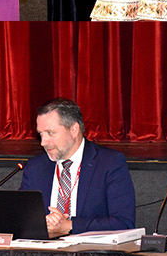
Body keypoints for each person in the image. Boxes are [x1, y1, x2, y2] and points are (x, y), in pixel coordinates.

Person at [20, 98, 135, 236]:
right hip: (44, 254)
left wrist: (70, 226)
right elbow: (22, 218)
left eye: (50, 133)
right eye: (40, 134)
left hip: (90, 254)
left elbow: (124, 222)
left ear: (74, 130)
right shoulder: (35, 167)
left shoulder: (109, 163)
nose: (43, 142)